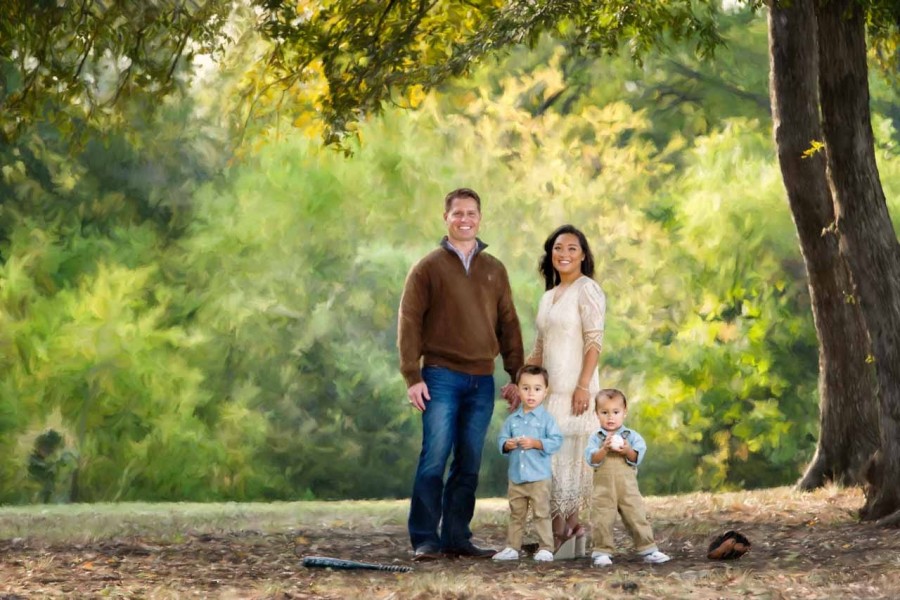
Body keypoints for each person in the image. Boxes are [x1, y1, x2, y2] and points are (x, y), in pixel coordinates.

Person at [398, 187, 524, 561]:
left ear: (479, 219)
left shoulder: (494, 269)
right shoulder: (428, 268)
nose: (465, 219)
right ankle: (425, 538)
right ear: (446, 218)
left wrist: (515, 373)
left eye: (471, 213)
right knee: (434, 458)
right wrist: (412, 375)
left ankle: (456, 537)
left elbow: (509, 324)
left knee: (469, 462)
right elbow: (409, 323)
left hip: (481, 380)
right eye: (457, 214)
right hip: (440, 375)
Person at [522, 224, 605, 558]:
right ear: (550, 254)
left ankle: (563, 531)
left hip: (575, 389)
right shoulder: (548, 296)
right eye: (558, 248)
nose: (564, 254)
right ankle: (569, 530)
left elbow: (594, 341)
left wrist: (583, 385)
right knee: (552, 461)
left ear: (583, 255)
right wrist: (521, 383)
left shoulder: (588, 290)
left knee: (566, 460)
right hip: (549, 391)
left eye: (572, 248)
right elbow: (540, 347)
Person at [584, 388, 671, 567]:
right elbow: (592, 459)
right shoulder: (595, 438)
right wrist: (604, 449)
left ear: (624, 413)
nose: (610, 417)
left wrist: (627, 450)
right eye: (604, 412)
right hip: (604, 489)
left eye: (615, 412)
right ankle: (602, 551)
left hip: (627, 488)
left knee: (636, 515)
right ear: (596, 414)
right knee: (602, 518)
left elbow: (636, 458)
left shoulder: (631, 437)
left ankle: (648, 549)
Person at [492, 365, 563, 563]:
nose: (531, 393)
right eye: (525, 388)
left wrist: (536, 443)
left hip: (539, 477)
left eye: (537, 389)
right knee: (516, 514)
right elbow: (501, 440)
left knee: (541, 513)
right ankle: (512, 547)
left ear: (545, 391)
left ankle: (546, 547)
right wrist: (507, 444)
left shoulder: (547, 420)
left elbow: (556, 441)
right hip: (516, 477)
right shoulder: (512, 420)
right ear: (517, 389)